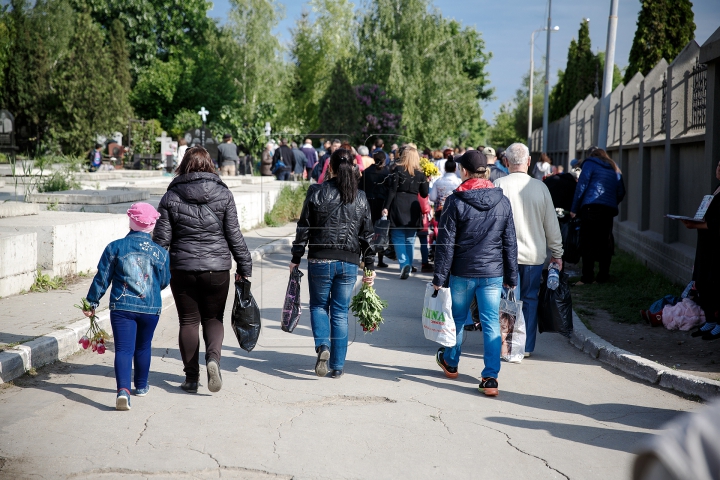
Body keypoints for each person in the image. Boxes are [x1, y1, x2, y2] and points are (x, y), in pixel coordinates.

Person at [154, 146, 253, 394]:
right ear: (210, 165)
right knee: (213, 318)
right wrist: (244, 266)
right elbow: (234, 235)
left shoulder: (170, 196)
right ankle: (213, 360)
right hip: (217, 268)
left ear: (184, 165)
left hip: (182, 268)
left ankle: (190, 378)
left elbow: (161, 240)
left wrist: (151, 270)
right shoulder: (223, 194)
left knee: (188, 321)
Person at [432, 150, 518, 397]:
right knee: (491, 322)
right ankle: (490, 377)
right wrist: (512, 276)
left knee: (458, 318)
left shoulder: (455, 200)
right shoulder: (502, 201)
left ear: (465, 171)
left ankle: (451, 362)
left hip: (462, 271)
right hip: (492, 273)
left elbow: (445, 243)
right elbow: (509, 242)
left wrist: (439, 277)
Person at [290, 148, 376, 378]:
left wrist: (296, 257)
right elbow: (367, 234)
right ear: (353, 168)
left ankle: (323, 347)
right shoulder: (360, 196)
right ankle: (337, 367)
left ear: (331, 167)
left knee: (318, 306)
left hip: (320, 258)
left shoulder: (317, 191)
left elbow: (304, 227)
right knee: (339, 313)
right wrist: (369, 265)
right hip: (348, 262)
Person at [82, 203, 170, 410]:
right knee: (143, 346)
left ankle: (123, 391)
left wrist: (91, 302)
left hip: (122, 306)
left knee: (123, 349)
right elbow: (164, 281)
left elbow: (102, 278)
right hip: (150, 308)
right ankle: (141, 386)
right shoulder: (161, 253)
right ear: (153, 225)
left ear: (130, 221)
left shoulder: (115, 247)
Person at [494, 143, 563, 356]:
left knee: (507, 301)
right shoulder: (541, 187)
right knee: (530, 300)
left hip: (505, 256)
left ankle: (507, 346)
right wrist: (557, 254)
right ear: (529, 161)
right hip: (533, 256)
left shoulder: (498, 184)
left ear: (506, 161)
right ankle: (526, 347)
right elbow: (551, 224)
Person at [570, 147, 625, 285]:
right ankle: (603, 276)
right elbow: (621, 190)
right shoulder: (614, 166)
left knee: (587, 242)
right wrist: (611, 202)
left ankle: (587, 277)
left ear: (591, 155)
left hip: (591, 207)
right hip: (608, 210)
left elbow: (581, 186)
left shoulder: (589, 163)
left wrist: (574, 208)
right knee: (605, 242)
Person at [382, 144, 429, 279]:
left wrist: (386, 207)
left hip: (398, 203)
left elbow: (392, 191)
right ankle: (408, 264)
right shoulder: (420, 174)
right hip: (413, 205)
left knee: (397, 237)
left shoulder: (398, 170)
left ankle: (404, 265)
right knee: (410, 238)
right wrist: (425, 181)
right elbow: (424, 193)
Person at [685, 160, 720, 340]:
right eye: (719, 165)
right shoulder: (717, 188)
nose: (719, 169)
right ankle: (709, 321)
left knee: (715, 282)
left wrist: (701, 224)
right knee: (702, 280)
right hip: (706, 245)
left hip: (716, 247)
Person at [360, 151, 391, 268]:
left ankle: (365, 257)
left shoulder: (366, 172)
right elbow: (389, 191)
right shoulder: (387, 173)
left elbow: (360, 188)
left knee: (366, 231)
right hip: (381, 204)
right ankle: (380, 259)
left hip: (367, 202)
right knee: (380, 232)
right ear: (384, 160)